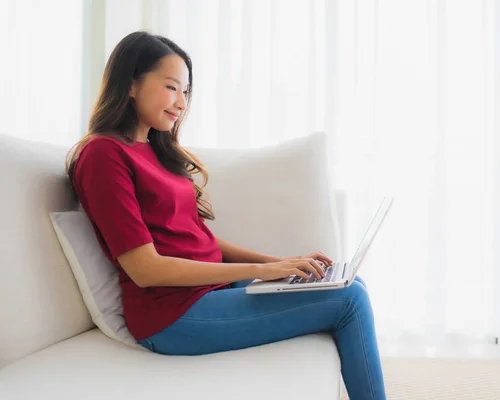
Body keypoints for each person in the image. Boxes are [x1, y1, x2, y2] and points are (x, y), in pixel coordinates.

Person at [66, 31, 386, 400]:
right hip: (171, 316)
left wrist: (280, 263)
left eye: (185, 91)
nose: (182, 103)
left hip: (208, 292)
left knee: (346, 284)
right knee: (349, 302)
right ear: (132, 84)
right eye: (172, 87)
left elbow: (199, 240)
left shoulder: (155, 149)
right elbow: (145, 268)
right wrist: (261, 272)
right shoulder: (103, 156)